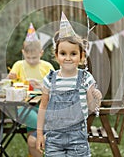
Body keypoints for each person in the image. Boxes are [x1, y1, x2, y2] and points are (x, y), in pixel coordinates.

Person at [30, 12, 102, 156]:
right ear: (56, 56)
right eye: (63, 53)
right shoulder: (49, 79)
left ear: (81, 56)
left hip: (78, 138)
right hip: (54, 138)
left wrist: (96, 98)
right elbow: (43, 107)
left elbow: (91, 107)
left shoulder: (85, 78)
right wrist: (39, 134)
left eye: (73, 54)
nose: (68, 58)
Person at [7, 23, 55, 157]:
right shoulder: (18, 65)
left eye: (35, 58)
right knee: (31, 120)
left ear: (41, 53)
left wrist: (41, 84)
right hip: (24, 104)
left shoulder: (47, 66)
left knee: (33, 130)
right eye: (28, 58)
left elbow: (55, 85)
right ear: (23, 53)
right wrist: (10, 78)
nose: (31, 60)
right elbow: (9, 84)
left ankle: (36, 150)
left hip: (44, 104)